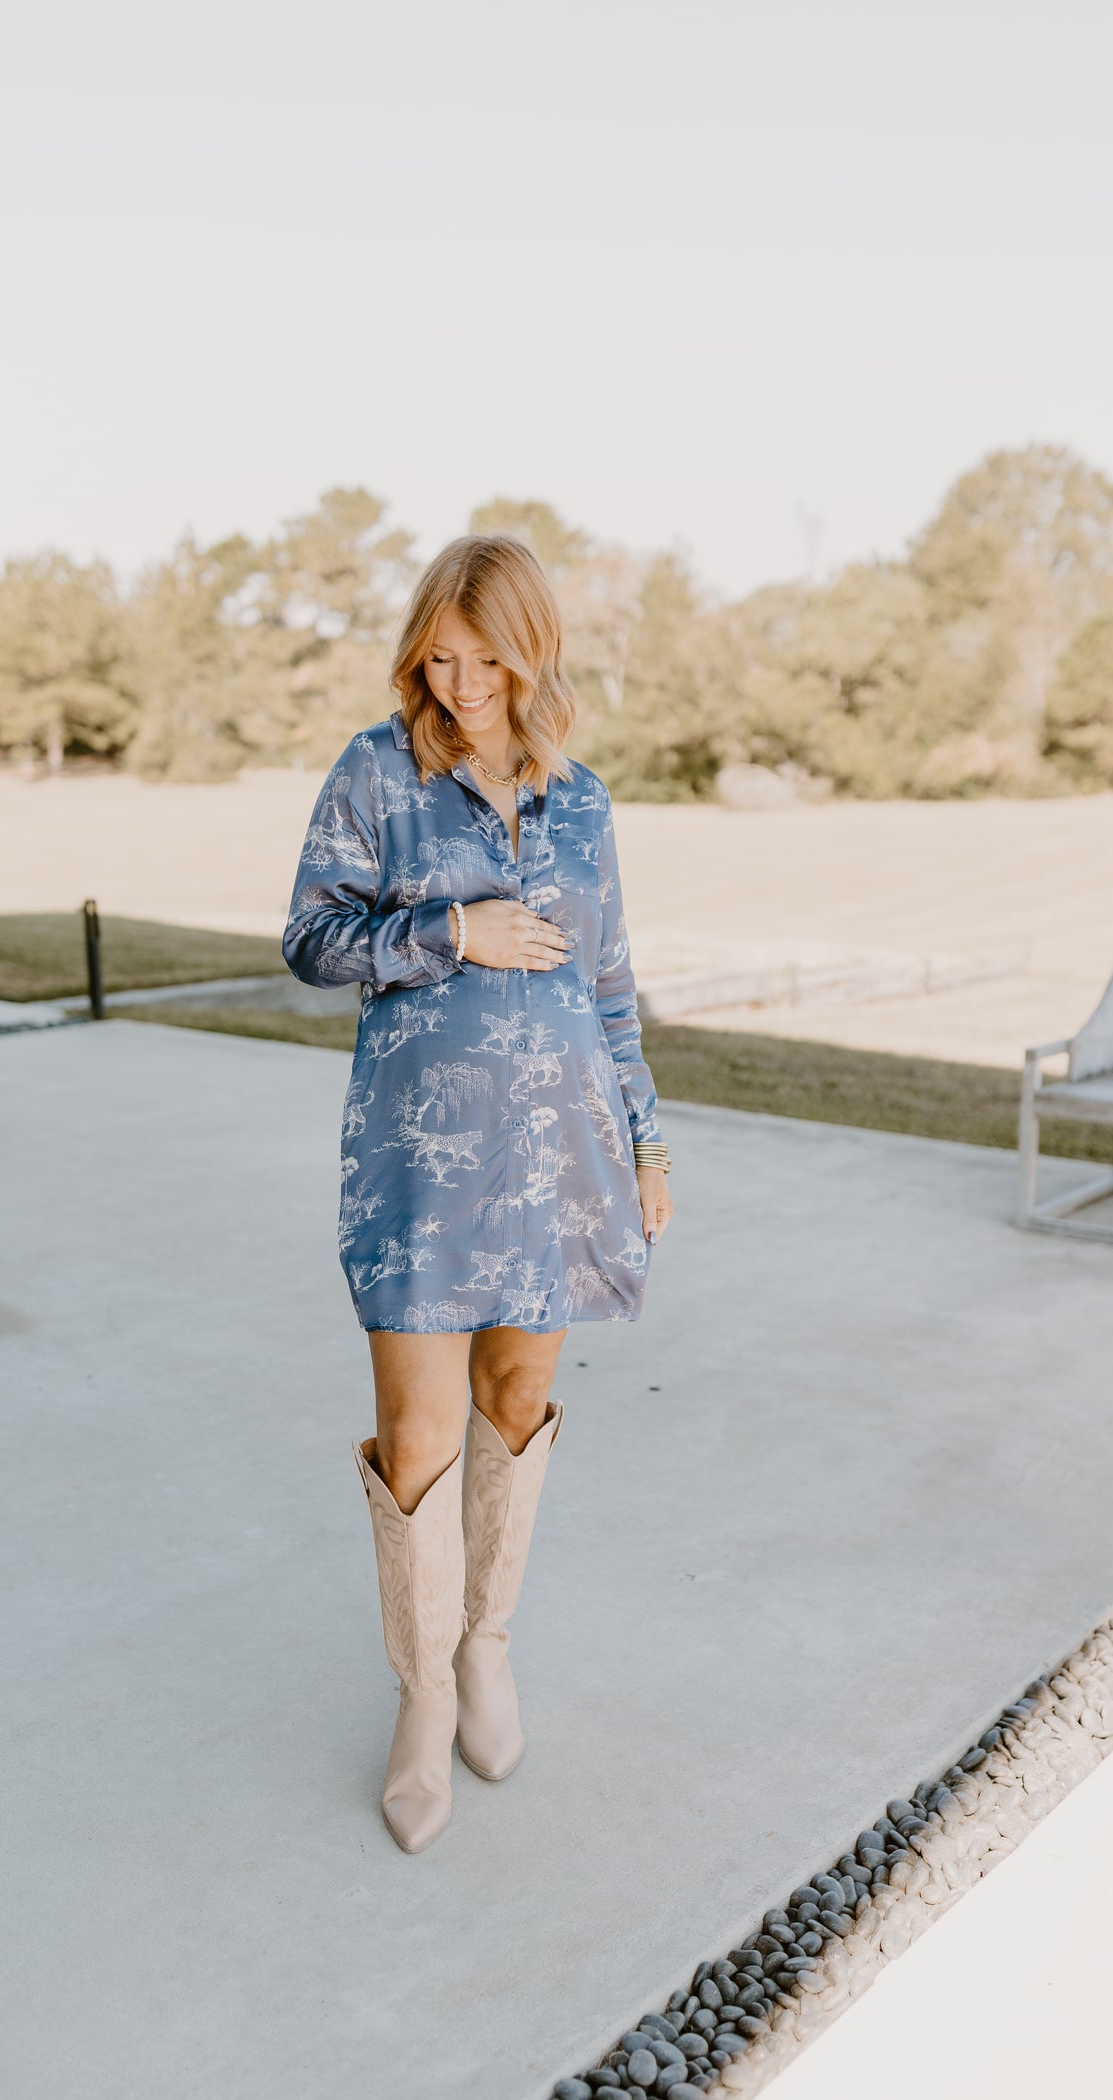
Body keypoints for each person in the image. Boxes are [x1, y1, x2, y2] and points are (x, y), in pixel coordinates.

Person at [282, 534, 673, 1853]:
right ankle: (422, 1690)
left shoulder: (587, 804)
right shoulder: (377, 774)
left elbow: (611, 992)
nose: (460, 683)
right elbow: (310, 939)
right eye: (439, 658)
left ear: (531, 648)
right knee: (419, 1433)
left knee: (516, 1402)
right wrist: (452, 933)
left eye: (484, 656)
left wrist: (649, 1141)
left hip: (560, 1161)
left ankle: (489, 1647)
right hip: (416, 1165)